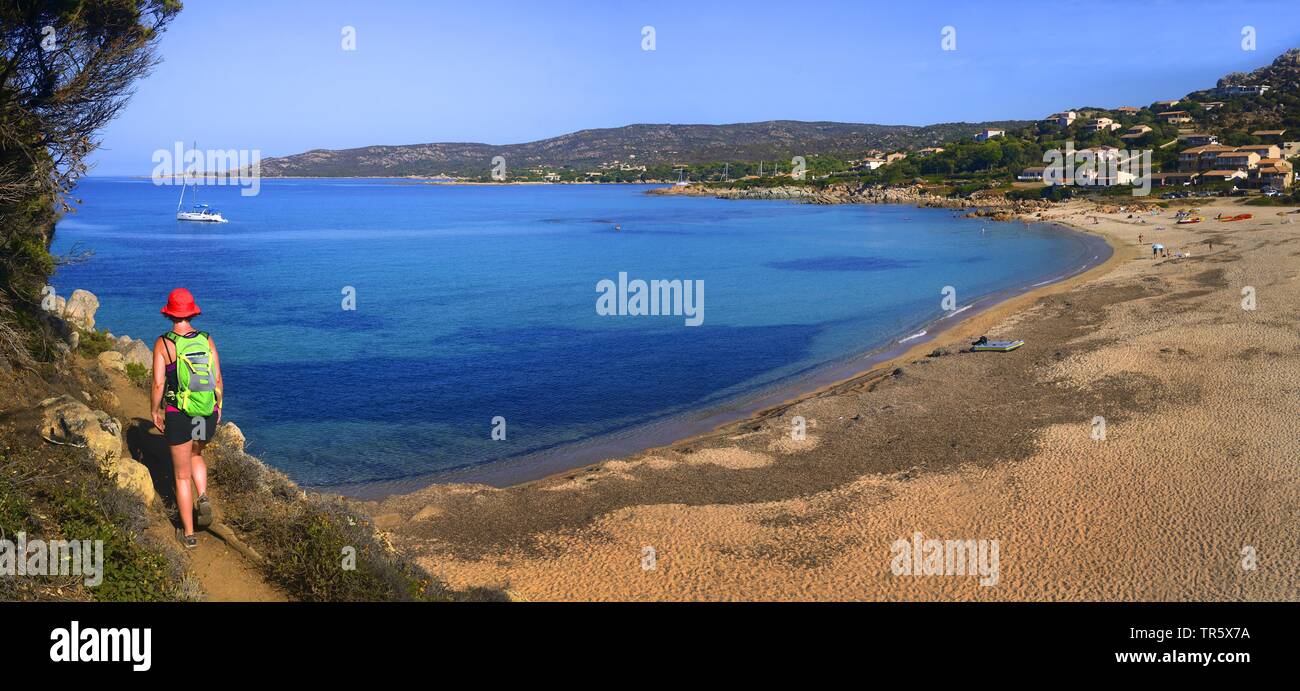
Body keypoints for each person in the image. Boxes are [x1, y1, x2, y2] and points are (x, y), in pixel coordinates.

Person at [151, 288, 223, 548]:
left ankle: (189, 535)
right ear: (192, 312)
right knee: (196, 455)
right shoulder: (206, 339)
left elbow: (159, 383)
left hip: (179, 414)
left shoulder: (165, 343)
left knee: (181, 476)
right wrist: (218, 406)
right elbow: (216, 378)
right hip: (206, 412)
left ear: (170, 313)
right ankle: (202, 495)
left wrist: (154, 410)